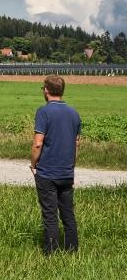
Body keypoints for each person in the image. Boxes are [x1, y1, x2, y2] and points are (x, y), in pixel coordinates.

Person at [31, 75, 81, 255]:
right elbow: (75, 144)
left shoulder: (43, 112)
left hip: (47, 172)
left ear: (46, 90)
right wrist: (71, 166)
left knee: (50, 215)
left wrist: (33, 164)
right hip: (66, 172)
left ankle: (51, 251)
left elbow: (38, 143)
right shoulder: (74, 113)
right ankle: (72, 250)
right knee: (68, 214)